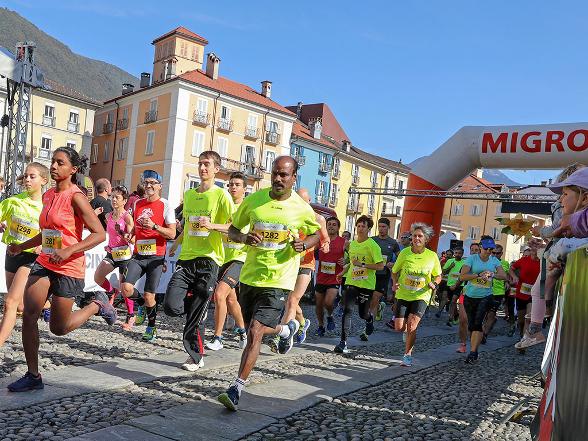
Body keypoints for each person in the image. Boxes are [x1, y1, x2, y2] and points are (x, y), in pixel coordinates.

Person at [217, 156, 320, 411]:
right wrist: (243, 237)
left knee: (255, 331)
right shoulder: (254, 200)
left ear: (294, 178)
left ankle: (236, 388)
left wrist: (304, 244)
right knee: (259, 328)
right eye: (275, 173)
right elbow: (232, 230)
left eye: (284, 175)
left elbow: (318, 233)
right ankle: (286, 329)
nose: (278, 179)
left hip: (280, 278)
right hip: (251, 276)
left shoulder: (301, 208)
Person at [7, 147, 111, 392]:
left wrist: (68, 251)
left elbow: (99, 234)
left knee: (59, 328)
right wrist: (21, 246)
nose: (53, 166)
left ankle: (97, 304)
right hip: (44, 262)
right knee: (29, 313)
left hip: (69, 267)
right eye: (52, 162)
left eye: (60, 163)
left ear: (73, 170)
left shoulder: (77, 197)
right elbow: (47, 233)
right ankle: (33, 375)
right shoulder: (49, 195)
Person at [163, 152, 233, 370]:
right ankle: (195, 310)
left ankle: (195, 356)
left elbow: (233, 229)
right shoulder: (190, 195)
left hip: (209, 260)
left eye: (207, 165)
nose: (202, 168)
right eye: (200, 164)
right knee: (170, 306)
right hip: (186, 258)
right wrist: (175, 245)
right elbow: (188, 225)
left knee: (197, 312)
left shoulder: (222, 196)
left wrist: (212, 225)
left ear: (216, 169)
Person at [270, 188, 329, 353]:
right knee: (290, 300)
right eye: (298, 200)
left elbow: (325, 240)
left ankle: (280, 336)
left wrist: (324, 245)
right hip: (290, 263)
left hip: (306, 264)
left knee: (292, 301)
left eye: (304, 201)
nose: (301, 204)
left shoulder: (318, 219)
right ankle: (302, 322)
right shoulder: (290, 215)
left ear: (310, 201)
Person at [120, 170, 176, 342]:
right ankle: (143, 306)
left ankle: (152, 326)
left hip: (156, 257)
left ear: (160, 186)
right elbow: (136, 228)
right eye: (146, 182)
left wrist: (154, 226)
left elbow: (172, 234)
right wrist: (131, 234)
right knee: (126, 288)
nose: (149, 185)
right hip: (138, 254)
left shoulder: (166, 205)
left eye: (153, 182)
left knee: (150, 295)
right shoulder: (137, 204)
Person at [0, 163, 49, 347]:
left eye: (32, 176)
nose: (27, 179)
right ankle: (44, 305)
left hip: (31, 259)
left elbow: (54, 238)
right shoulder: (13, 201)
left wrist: (43, 247)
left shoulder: (47, 207)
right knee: (19, 305)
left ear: (44, 180)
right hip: (12, 255)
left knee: (10, 302)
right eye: (26, 176)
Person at [202, 171, 248, 352]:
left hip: (239, 258)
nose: (233, 187)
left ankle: (217, 337)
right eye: (230, 184)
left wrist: (212, 226)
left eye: (237, 185)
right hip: (222, 257)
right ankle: (243, 330)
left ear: (244, 189)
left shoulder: (246, 208)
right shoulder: (223, 206)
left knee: (219, 294)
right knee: (230, 300)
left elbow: (233, 229)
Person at [391, 223, 442, 366]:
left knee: (412, 326)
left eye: (420, 236)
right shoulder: (405, 253)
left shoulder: (432, 256)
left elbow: (438, 275)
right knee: (399, 327)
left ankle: (407, 355)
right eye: (414, 236)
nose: (417, 238)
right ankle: (405, 332)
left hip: (421, 295)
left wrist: (435, 284)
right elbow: (394, 271)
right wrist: (394, 283)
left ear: (426, 239)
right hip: (403, 294)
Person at [333, 215, 384, 352]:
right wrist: (342, 273)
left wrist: (362, 264)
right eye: (359, 226)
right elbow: (351, 263)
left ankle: (369, 319)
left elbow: (380, 266)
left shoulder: (373, 246)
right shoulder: (352, 244)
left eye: (363, 226)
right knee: (347, 310)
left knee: (362, 314)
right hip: (351, 282)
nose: (360, 229)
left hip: (366, 284)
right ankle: (343, 342)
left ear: (369, 229)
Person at [459, 236, 508, 364]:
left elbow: (504, 276)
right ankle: (474, 348)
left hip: (486, 296)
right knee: (471, 325)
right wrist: (477, 275)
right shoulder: (472, 259)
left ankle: (473, 351)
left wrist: (492, 274)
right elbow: (462, 277)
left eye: (491, 249)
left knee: (478, 323)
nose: (488, 251)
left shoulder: (494, 261)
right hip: (470, 296)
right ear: (481, 247)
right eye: (486, 249)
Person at [93, 185, 135, 330]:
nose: (114, 200)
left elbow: (132, 240)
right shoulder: (108, 216)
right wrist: (109, 245)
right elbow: (109, 233)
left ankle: (130, 316)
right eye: (112, 197)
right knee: (97, 277)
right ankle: (111, 292)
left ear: (124, 201)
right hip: (112, 252)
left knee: (125, 288)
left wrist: (122, 232)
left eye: (117, 197)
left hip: (125, 255)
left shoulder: (127, 217)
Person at [314, 216, 346, 336]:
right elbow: (310, 250)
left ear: (338, 228)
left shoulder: (344, 242)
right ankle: (321, 326)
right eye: (329, 224)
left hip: (335, 278)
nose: (331, 226)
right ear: (325, 226)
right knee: (318, 304)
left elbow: (351, 257)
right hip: (321, 277)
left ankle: (330, 315)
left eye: (334, 224)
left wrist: (345, 260)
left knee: (328, 302)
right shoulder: (320, 240)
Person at [370, 218, 400, 322]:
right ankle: (378, 308)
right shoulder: (372, 240)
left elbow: (400, 259)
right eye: (380, 227)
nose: (381, 229)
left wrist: (394, 263)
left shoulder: (393, 243)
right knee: (371, 299)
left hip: (383, 274)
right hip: (371, 273)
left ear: (388, 228)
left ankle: (369, 326)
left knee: (374, 298)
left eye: (384, 227)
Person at [509, 247, 541, 341]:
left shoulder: (543, 262)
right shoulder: (524, 260)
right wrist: (514, 276)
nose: (535, 253)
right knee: (521, 320)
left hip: (534, 294)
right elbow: (511, 269)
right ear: (531, 251)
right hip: (521, 293)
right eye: (533, 251)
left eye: (537, 251)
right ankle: (521, 331)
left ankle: (524, 340)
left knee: (528, 318)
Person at [482, 244, 510, 342]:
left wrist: (507, 282)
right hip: (485, 290)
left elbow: (507, 275)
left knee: (491, 314)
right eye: (493, 253)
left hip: (498, 292)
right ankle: (485, 327)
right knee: (483, 313)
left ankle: (484, 334)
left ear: (501, 254)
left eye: (498, 253)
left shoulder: (505, 263)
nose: (495, 255)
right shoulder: (486, 261)